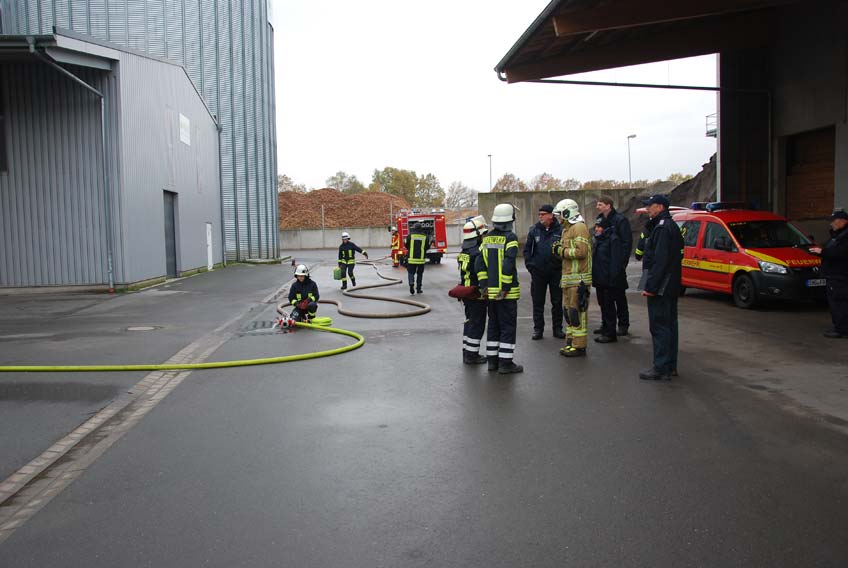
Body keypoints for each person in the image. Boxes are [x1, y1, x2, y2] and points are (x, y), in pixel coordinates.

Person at [638, 194, 684, 381]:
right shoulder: (667, 226)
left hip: (662, 286)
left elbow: (660, 261)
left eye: (650, 206)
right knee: (669, 325)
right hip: (670, 284)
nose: (648, 209)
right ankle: (669, 365)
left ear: (660, 207)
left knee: (660, 326)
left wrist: (652, 286)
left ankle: (661, 367)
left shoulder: (662, 229)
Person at [476, 203, 523, 374]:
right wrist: (505, 288)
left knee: (494, 326)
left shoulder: (486, 238)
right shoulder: (510, 238)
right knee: (508, 327)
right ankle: (506, 363)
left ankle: (492, 362)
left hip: (490, 292)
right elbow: (508, 264)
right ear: (510, 219)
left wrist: (484, 286)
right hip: (506, 294)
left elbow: (479, 263)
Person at [552, 199, 592, 357]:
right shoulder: (566, 229)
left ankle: (579, 345)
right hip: (569, 280)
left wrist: (561, 251)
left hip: (579, 280)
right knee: (568, 313)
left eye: (560, 215)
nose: (558, 218)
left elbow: (581, 252)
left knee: (577, 314)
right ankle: (571, 341)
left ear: (568, 213)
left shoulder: (579, 228)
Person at [592, 196, 633, 342]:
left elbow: (626, 243)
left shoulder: (620, 220)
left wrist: (621, 264)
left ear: (608, 205)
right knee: (604, 299)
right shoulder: (600, 219)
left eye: (600, 204)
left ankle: (623, 324)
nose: (598, 206)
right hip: (604, 265)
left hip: (615, 265)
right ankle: (606, 325)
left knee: (619, 297)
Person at [523, 204, 564, 340]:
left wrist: (559, 265)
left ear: (551, 215)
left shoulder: (560, 230)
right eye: (539, 214)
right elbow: (527, 250)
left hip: (556, 272)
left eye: (543, 214)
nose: (540, 216)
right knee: (538, 302)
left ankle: (557, 328)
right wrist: (531, 266)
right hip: (538, 272)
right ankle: (538, 329)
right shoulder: (534, 230)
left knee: (557, 302)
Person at [809, 209, 848, 338]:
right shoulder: (838, 235)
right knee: (838, 302)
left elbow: (840, 253)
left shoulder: (845, 237)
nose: (831, 224)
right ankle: (840, 327)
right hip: (835, 275)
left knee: (838, 303)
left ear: (843, 221)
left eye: (833, 221)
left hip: (840, 276)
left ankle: (841, 330)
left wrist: (822, 252)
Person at [458, 216, 488, 364]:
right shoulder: (477, 252)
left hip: (466, 292)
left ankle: (467, 350)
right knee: (477, 323)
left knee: (469, 321)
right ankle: (472, 355)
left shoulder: (464, 251)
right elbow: (481, 272)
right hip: (476, 294)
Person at [405, 222, 430, 294]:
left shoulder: (410, 235)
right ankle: (418, 289)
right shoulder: (425, 236)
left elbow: (406, 245)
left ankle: (411, 284)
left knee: (411, 272)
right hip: (421, 259)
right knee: (420, 274)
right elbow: (427, 247)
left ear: (414, 228)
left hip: (411, 258)